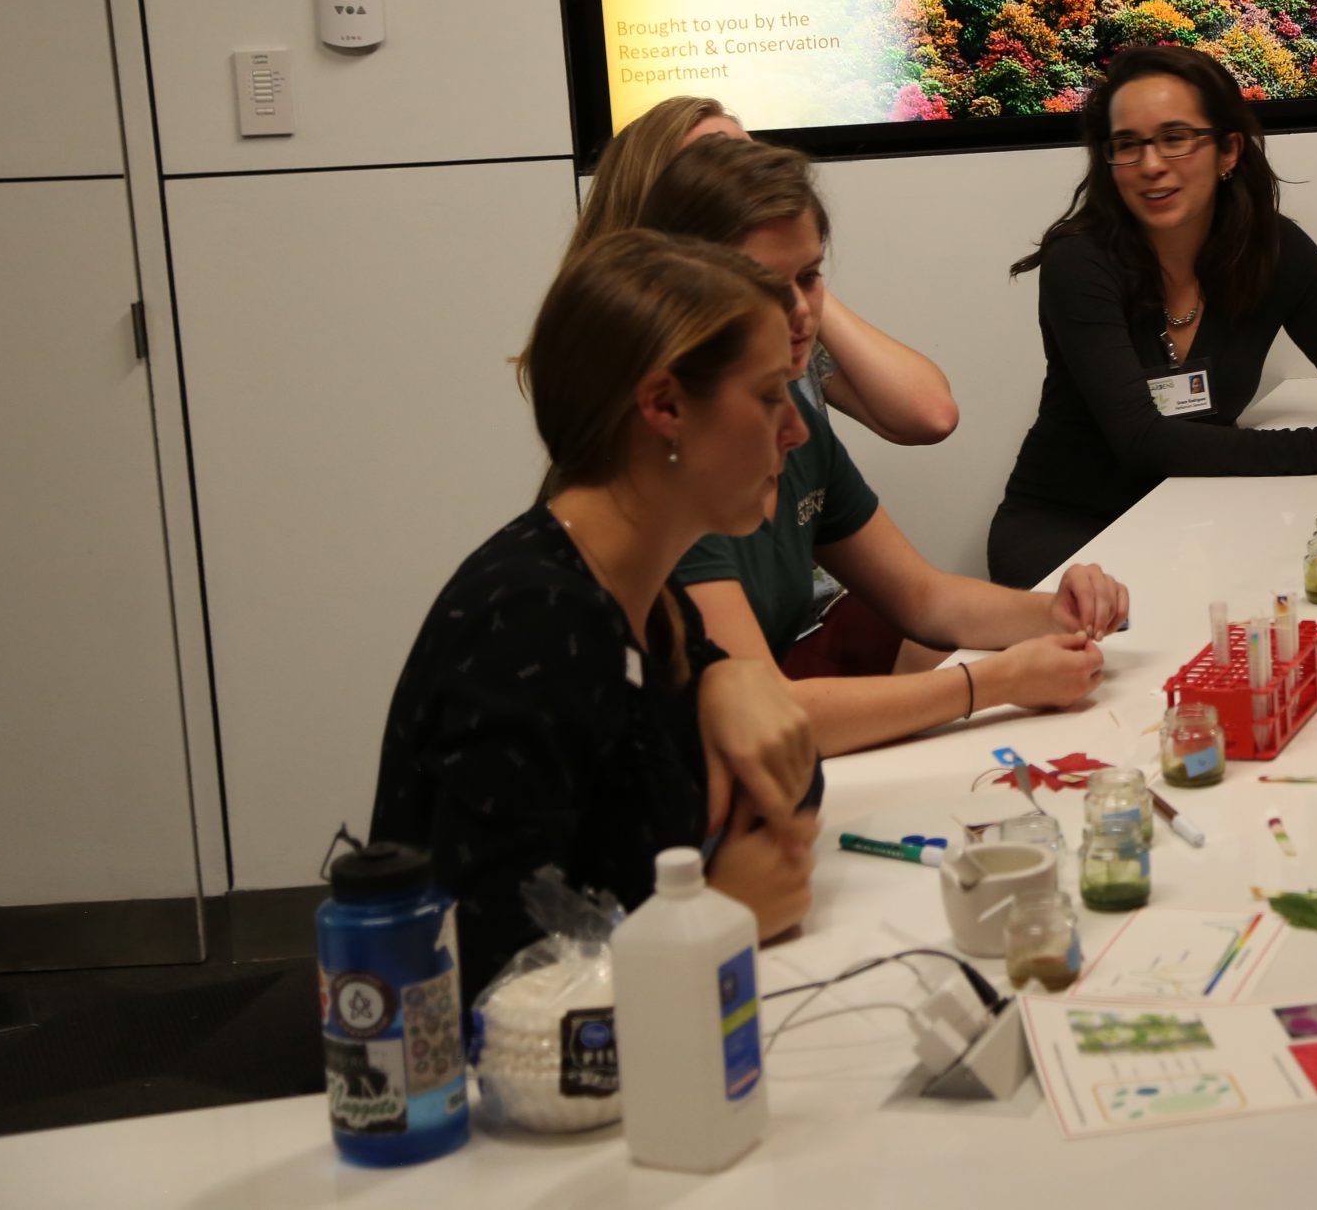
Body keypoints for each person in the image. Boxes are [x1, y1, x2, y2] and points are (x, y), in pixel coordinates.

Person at [372, 231, 823, 994]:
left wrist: (728, 679)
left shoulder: (644, 597)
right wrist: (718, 917)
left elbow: (787, 792)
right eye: (770, 394)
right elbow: (492, 984)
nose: (796, 429)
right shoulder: (534, 622)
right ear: (665, 404)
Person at [638, 135, 1122, 754]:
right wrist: (994, 681)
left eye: (810, 277)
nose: (800, 313)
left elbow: (921, 595)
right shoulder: (664, 455)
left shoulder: (788, 419)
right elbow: (759, 714)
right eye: (761, 282)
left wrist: (1057, 612)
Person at [990, 45, 1317, 588]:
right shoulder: (1079, 261)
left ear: (1228, 151)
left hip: (1201, 514)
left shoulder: (1275, 251)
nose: (1150, 165)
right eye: (1128, 145)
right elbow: (1141, 440)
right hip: (1070, 531)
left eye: (1175, 138)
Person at [558, 94, 959, 447]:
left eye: (752, 162)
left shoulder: (788, 327)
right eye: (722, 171)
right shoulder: (636, 361)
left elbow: (928, 416)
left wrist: (793, 272)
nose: (753, 188)